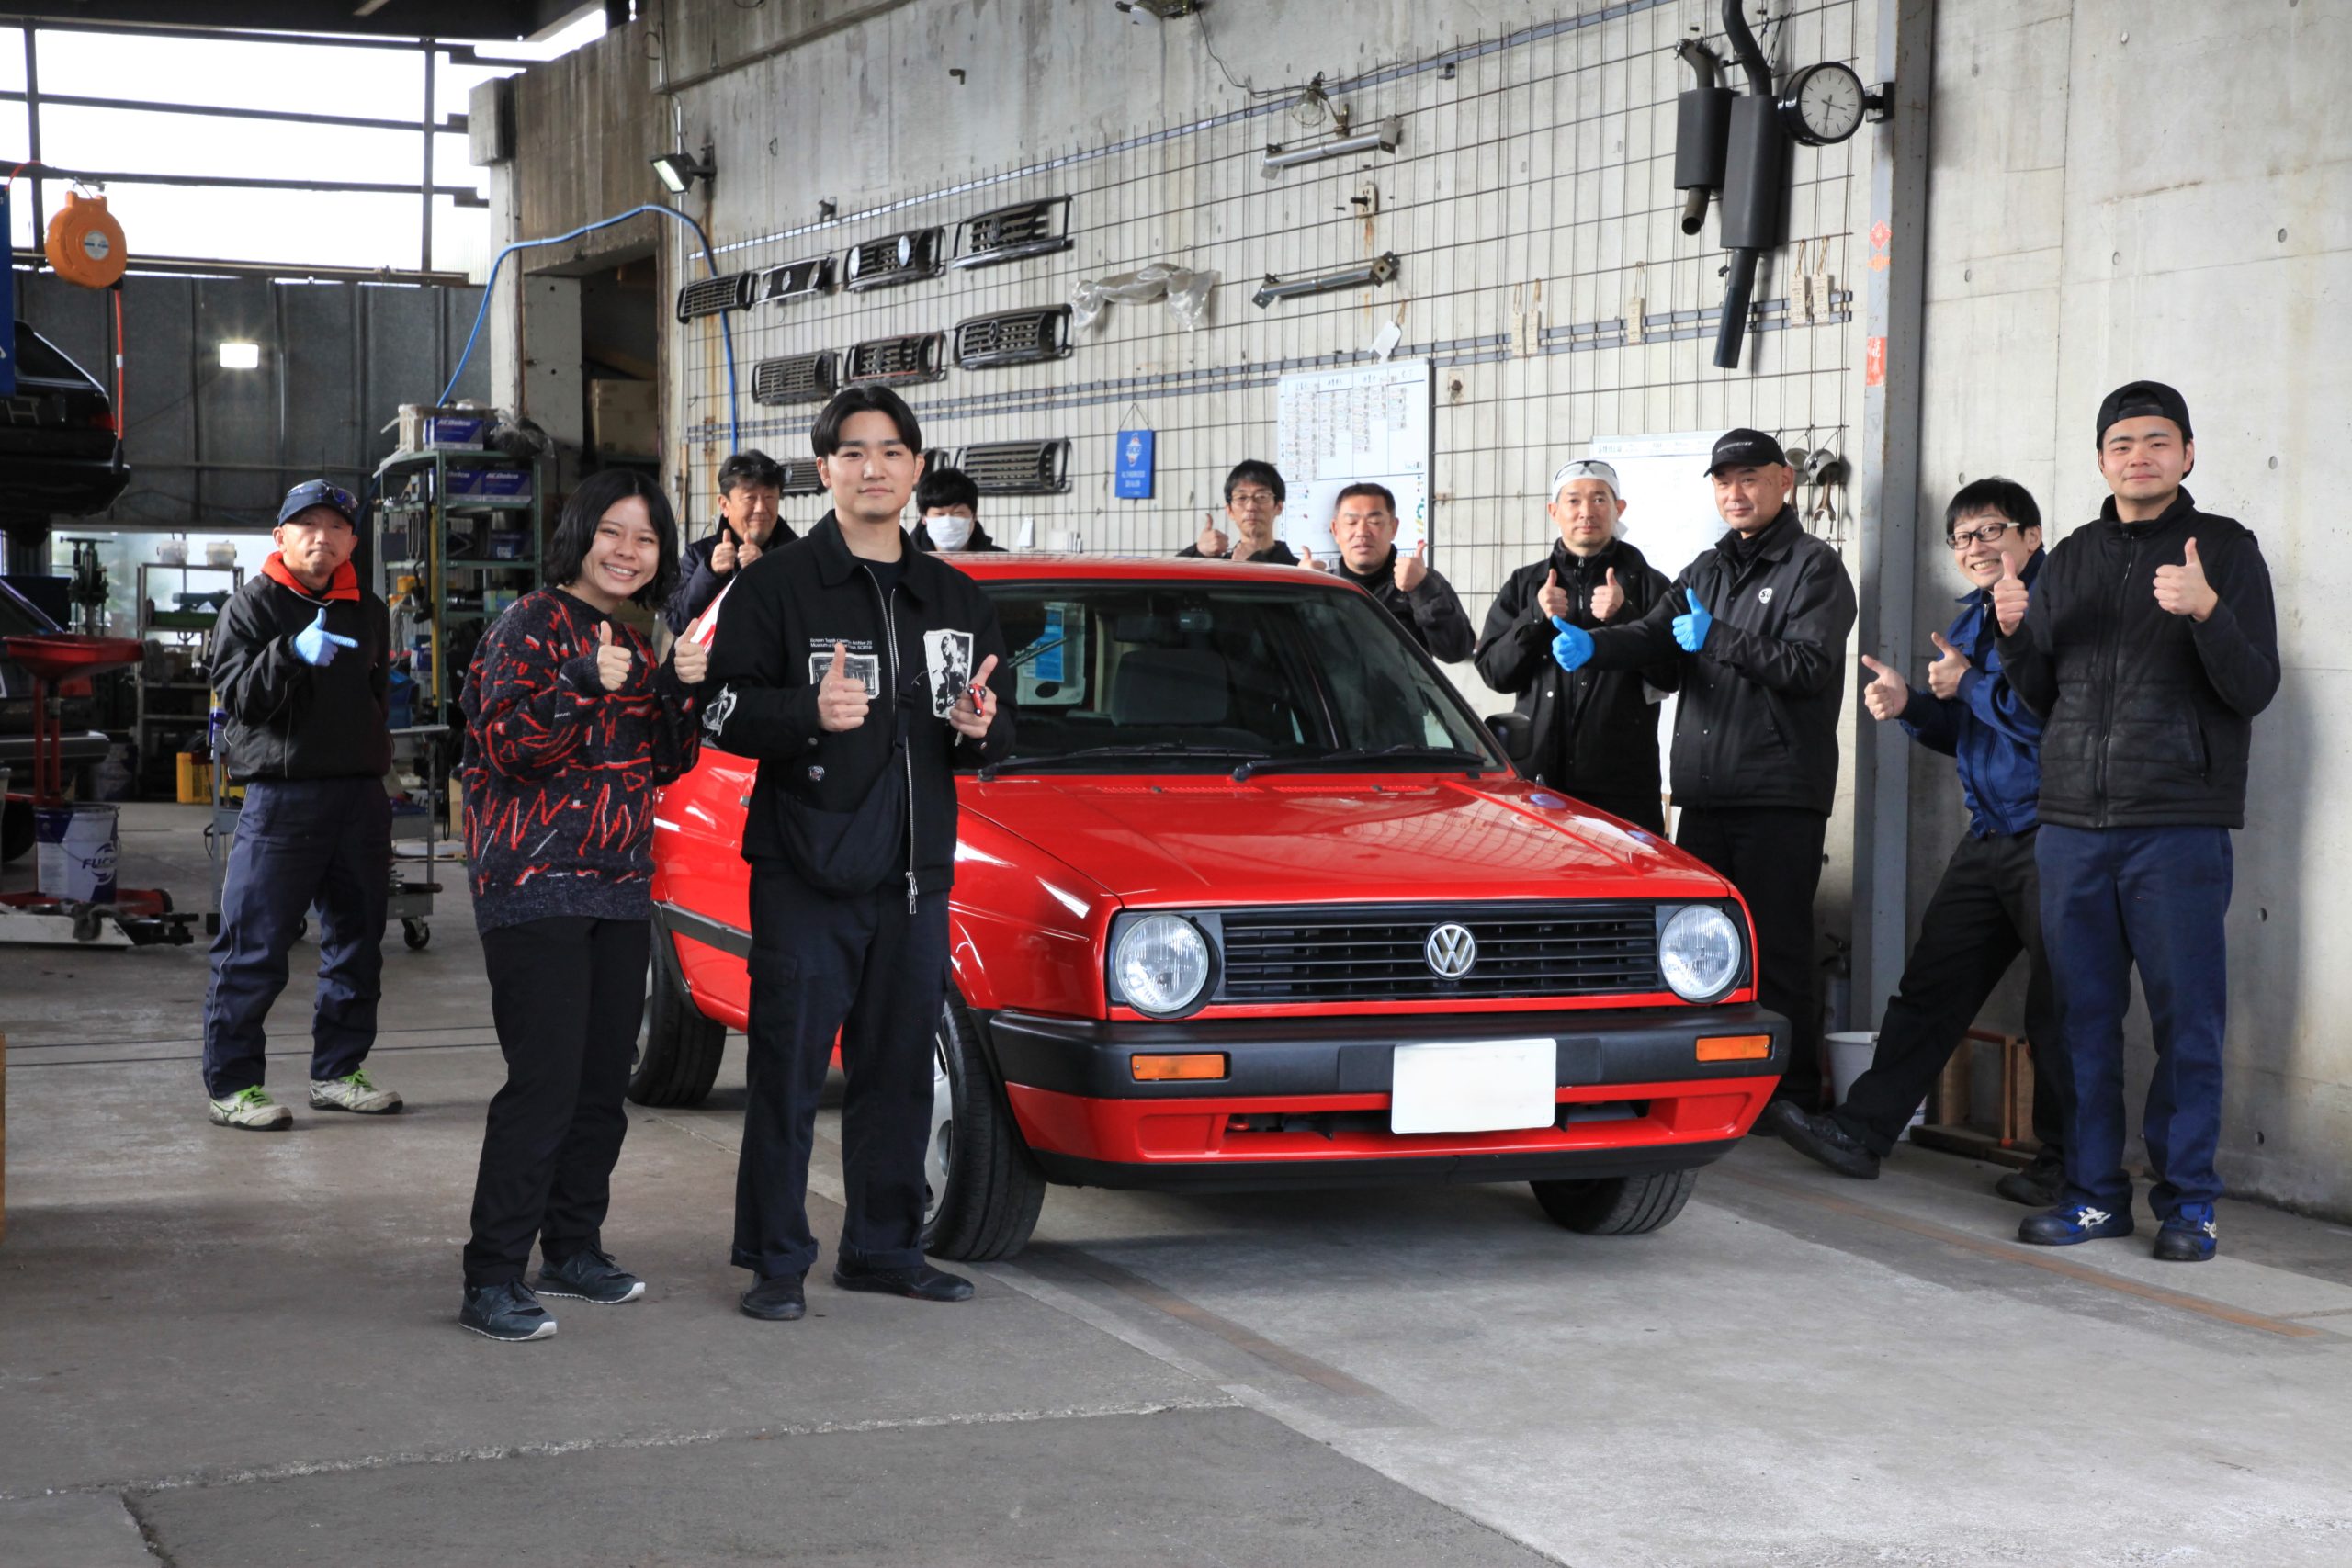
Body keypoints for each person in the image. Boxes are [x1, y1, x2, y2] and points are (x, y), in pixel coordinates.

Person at [703, 384, 1016, 1322]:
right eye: (852, 452)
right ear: (824, 470)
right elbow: (720, 710)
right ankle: (776, 1259)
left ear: (915, 469)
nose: (872, 468)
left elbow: (994, 735)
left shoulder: (955, 595)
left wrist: (982, 728)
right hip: (805, 869)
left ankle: (884, 1248)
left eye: (890, 452)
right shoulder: (776, 586)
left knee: (898, 1070)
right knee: (790, 1069)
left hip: (915, 876)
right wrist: (806, 711)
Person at [1999, 382, 2278, 1261]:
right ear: (2101, 461)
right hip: (2072, 825)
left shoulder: (2225, 550)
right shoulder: (2072, 556)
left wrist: (2207, 611)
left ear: (2188, 454)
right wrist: (2013, 636)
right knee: (2079, 1018)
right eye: (2121, 444)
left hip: (2177, 823)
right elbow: (2040, 698)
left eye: (2158, 441)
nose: (2139, 456)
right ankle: (2093, 1197)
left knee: (2186, 1021)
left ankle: (2190, 1204)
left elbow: (2254, 686)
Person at [1767, 479, 2069, 1206]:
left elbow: (2049, 723)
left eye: (1991, 530)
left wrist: (1968, 687)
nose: (1975, 547)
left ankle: (2067, 1164)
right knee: (1931, 988)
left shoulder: (2055, 611)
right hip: (1989, 831)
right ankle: (1862, 1130)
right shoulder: (1971, 617)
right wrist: (1913, 707)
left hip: (2056, 836)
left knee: (2060, 1007)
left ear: (2031, 536)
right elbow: (1970, 729)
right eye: (1962, 537)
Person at [453, 470, 705, 1343]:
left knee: (601, 1084)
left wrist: (681, 688)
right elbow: (501, 745)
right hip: (533, 885)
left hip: (620, 886)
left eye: (646, 538)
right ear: (580, 536)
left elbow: (664, 760)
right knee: (546, 1083)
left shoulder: (630, 639)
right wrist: (577, 681)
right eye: (613, 532)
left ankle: (571, 1248)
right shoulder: (527, 625)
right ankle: (491, 1275)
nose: (628, 551)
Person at [1555, 430, 1858, 1110]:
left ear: (1785, 481)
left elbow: (1809, 667)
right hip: (1704, 791)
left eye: (1749, 478)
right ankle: (1715, 1082)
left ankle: (1788, 1095)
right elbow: (1655, 636)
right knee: (1699, 951)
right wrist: (1597, 645)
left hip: (1779, 791)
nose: (1735, 493)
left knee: (1775, 948)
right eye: (1723, 482)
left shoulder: (1815, 567)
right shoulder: (1706, 568)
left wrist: (1718, 637)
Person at [199, 479, 399, 1130]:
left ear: (353, 542)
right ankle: (233, 1086)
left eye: (336, 527)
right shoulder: (251, 606)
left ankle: (338, 1072)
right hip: (283, 798)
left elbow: (375, 694)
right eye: (307, 525)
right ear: (280, 536)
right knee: (254, 944)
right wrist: (289, 653)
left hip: (359, 797)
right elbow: (239, 698)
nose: (322, 537)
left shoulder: (368, 609)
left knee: (358, 941)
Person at [1474, 458, 1680, 831]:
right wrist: (1534, 616)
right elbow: (1494, 673)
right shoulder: (1525, 584)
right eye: (1573, 500)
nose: (1587, 511)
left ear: (1619, 509)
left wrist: (1625, 616)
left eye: (1600, 499)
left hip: (1624, 787)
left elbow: (1672, 675)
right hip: (1538, 782)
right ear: (1554, 511)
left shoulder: (1650, 584)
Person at [1304, 482, 1473, 660]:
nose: (1361, 532)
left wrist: (1422, 589)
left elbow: (1457, 651)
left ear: (1393, 528)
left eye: (1374, 522)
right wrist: (1302, 592)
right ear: (1335, 530)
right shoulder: (1321, 586)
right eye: (1351, 522)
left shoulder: (1422, 580)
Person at [662, 449, 797, 635]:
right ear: (724, 505)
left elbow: (809, 618)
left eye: (769, 497)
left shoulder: (799, 555)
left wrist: (767, 573)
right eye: (750, 498)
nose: (761, 508)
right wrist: (709, 573)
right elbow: (677, 622)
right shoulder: (698, 556)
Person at [1180, 459, 1300, 565]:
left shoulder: (1300, 570)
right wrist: (1198, 551)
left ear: (1278, 506)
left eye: (1261, 497)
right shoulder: (1218, 567)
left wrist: (1254, 560)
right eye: (1242, 498)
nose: (1251, 506)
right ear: (1230, 510)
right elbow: (1171, 581)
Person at [910, 465, 1006, 553]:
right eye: (939, 514)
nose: (948, 522)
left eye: (958, 513)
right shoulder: (907, 560)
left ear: (974, 515)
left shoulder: (1000, 559)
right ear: (924, 517)